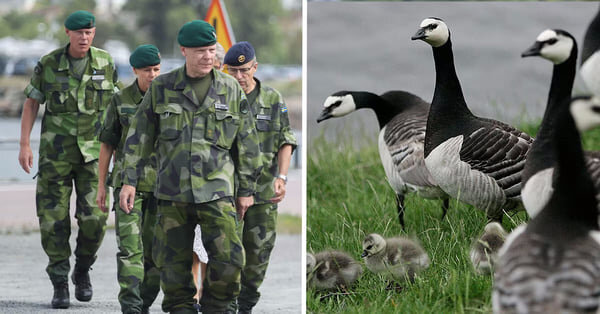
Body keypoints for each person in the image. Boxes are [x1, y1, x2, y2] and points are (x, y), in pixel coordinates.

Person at [119, 20, 262, 313]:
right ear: (184, 51)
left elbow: (247, 143)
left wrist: (246, 190)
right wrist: (129, 181)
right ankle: (181, 308)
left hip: (217, 192)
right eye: (201, 51)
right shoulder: (162, 87)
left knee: (230, 260)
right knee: (172, 266)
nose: (208, 56)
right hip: (172, 193)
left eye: (211, 50)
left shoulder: (230, 89)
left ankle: (217, 307)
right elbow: (138, 137)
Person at [17, 10, 118, 309]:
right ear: (68, 33)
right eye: (79, 33)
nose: (84, 37)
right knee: (52, 221)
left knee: (95, 219)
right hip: (55, 156)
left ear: (94, 33)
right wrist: (25, 144)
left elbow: (115, 109)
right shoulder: (49, 64)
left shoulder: (105, 62)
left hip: (93, 157)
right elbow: (31, 102)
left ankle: (83, 269)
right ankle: (59, 281)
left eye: (89, 32)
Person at [223, 41, 297, 313]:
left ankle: (245, 305)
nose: (239, 76)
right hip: (227, 192)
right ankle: (226, 305)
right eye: (233, 71)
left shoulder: (273, 99)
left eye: (244, 70)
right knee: (226, 255)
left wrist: (283, 177)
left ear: (255, 67)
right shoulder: (220, 98)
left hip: (264, 191)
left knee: (257, 256)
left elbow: (286, 140)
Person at [96, 44, 161, 314]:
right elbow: (107, 144)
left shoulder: (170, 100)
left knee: (156, 256)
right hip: (127, 186)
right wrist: (101, 185)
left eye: (157, 69)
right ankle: (132, 307)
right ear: (135, 70)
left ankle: (144, 303)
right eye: (147, 70)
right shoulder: (120, 100)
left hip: (163, 188)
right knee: (130, 250)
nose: (153, 75)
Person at [189, 44, 227, 310]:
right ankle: (193, 293)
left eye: (216, 63)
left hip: (218, 181)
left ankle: (205, 291)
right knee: (191, 240)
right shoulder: (185, 93)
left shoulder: (230, 95)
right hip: (187, 179)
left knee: (211, 242)